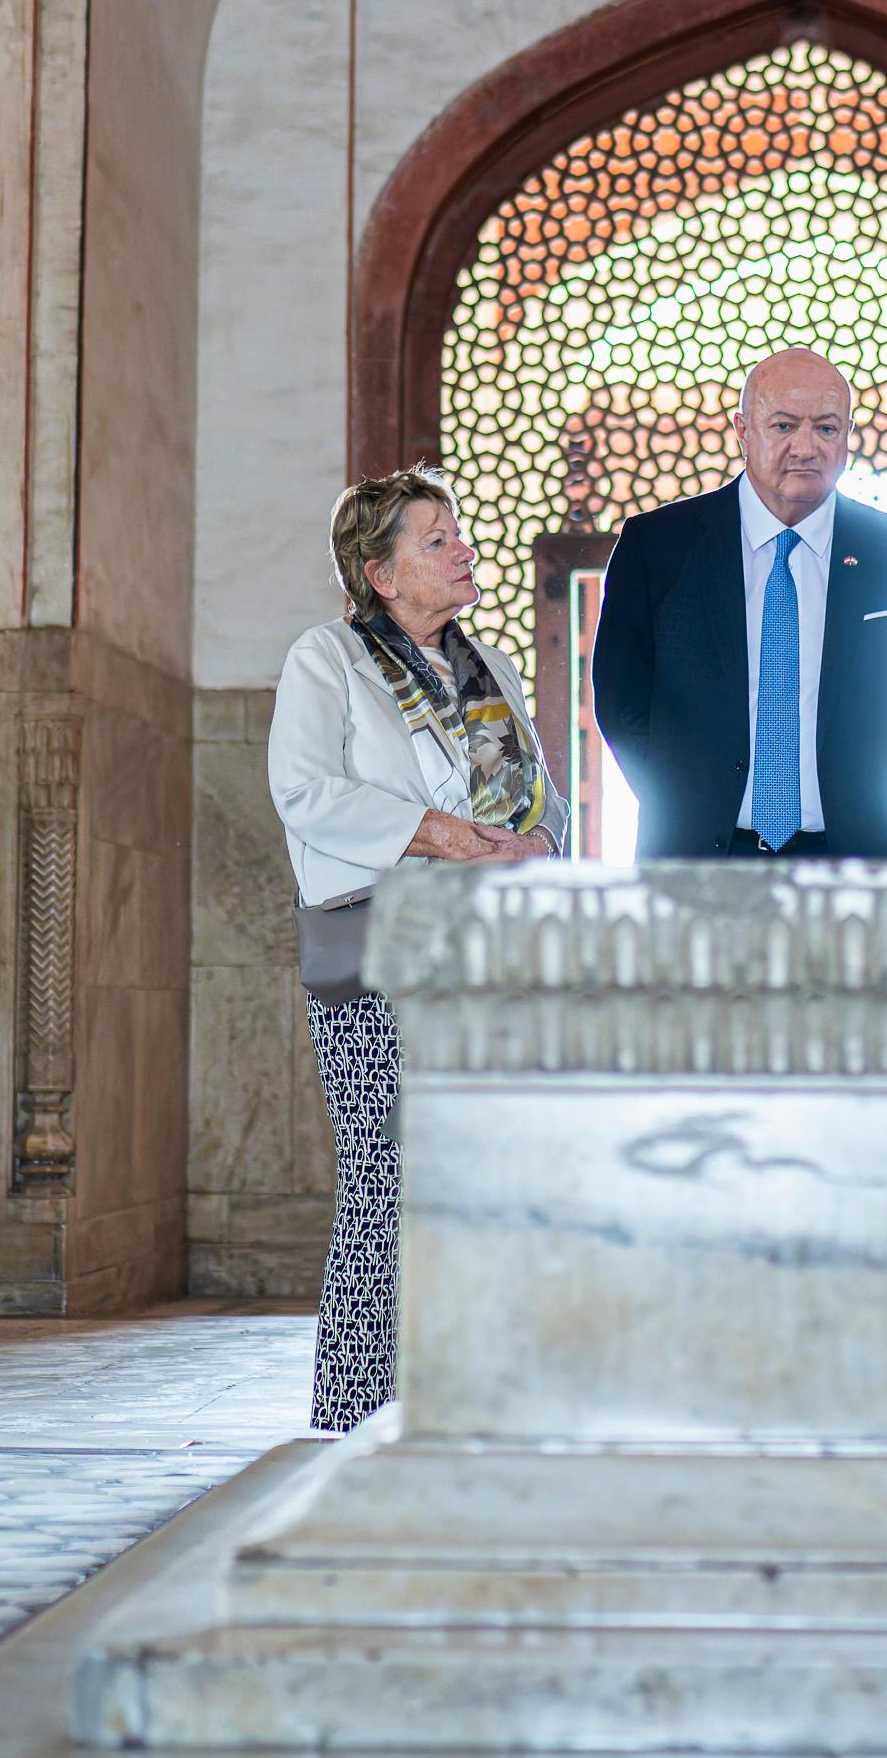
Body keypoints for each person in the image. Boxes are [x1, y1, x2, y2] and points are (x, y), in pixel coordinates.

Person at [269, 467, 564, 1429]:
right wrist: (441, 834)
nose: (462, 549)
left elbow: (540, 793)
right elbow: (306, 791)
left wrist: (541, 842)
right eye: (435, 540)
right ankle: (353, 1413)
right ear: (379, 574)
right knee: (387, 1176)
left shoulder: (492, 671)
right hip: (379, 947)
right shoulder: (330, 659)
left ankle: (470, 1401)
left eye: (456, 532)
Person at [588, 348, 887, 859]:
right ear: (743, 429)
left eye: (826, 428)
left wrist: (857, 797)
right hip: (700, 859)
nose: (805, 447)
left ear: (848, 434)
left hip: (856, 860)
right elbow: (622, 700)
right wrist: (685, 801)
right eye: (783, 426)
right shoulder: (658, 546)